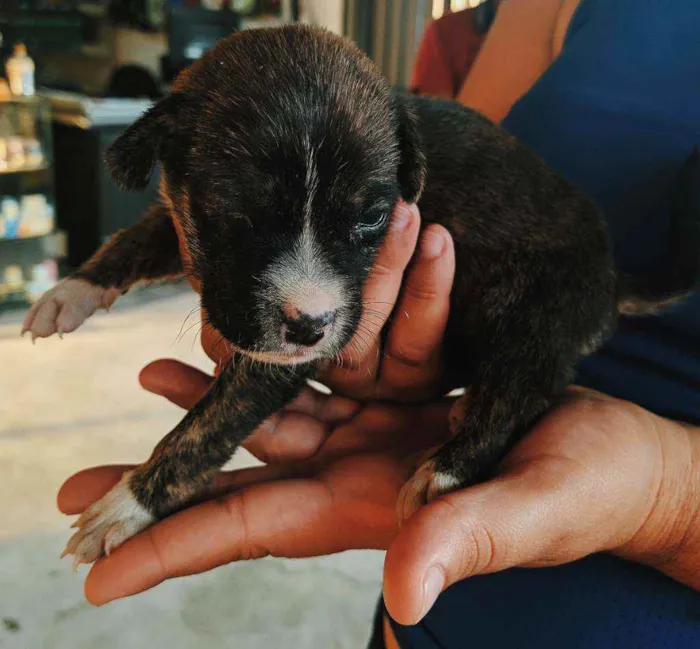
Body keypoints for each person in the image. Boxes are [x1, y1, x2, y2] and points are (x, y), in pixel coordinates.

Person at [58, 0, 700, 647]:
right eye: (241, 215)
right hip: (425, 610)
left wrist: (668, 500)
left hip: (565, 306)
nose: (307, 297)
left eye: (362, 221)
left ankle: (474, 443)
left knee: (522, 350)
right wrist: (101, 275)